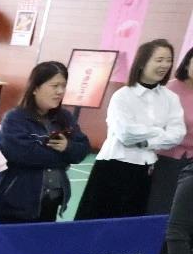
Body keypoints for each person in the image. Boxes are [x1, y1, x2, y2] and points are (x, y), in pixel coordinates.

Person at [76, 39, 184, 220]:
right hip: (113, 166)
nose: (165, 65)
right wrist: (159, 132)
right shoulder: (123, 95)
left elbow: (177, 135)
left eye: (169, 60)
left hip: (145, 169)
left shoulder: (170, 98)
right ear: (142, 62)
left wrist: (147, 141)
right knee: (97, 222)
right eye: (159, 60)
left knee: (130, 225)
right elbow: (126, 134)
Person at [0, 61, 91, 223]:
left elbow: (83, 148)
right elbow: (24, 155)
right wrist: (65, 157)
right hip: (14, 204)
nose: (60, 91)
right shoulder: (14, 119)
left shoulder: (65, 117)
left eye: (63, 86)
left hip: (50, 203)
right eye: (54, 86)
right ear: (35, 88)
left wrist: (68, 147)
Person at [148, 46, 193, 215]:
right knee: (160, 209)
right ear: (187, 64)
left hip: (191, 163)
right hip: (166, 161)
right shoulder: (168, 90)